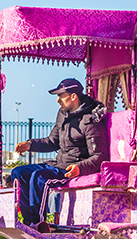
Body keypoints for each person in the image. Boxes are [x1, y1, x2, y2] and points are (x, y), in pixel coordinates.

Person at [11, 78, 108, 227]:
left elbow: (100, 156)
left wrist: (79, 167)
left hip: (70, 169)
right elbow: (52, 141)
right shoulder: (63, 114)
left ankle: (38, 224)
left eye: (60, 95)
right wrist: (30, 145)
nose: (57, 101)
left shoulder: (90, 121)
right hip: (57, 165)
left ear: (73, 96)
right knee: (18, 172)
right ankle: (28, 222)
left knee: (39, 177)